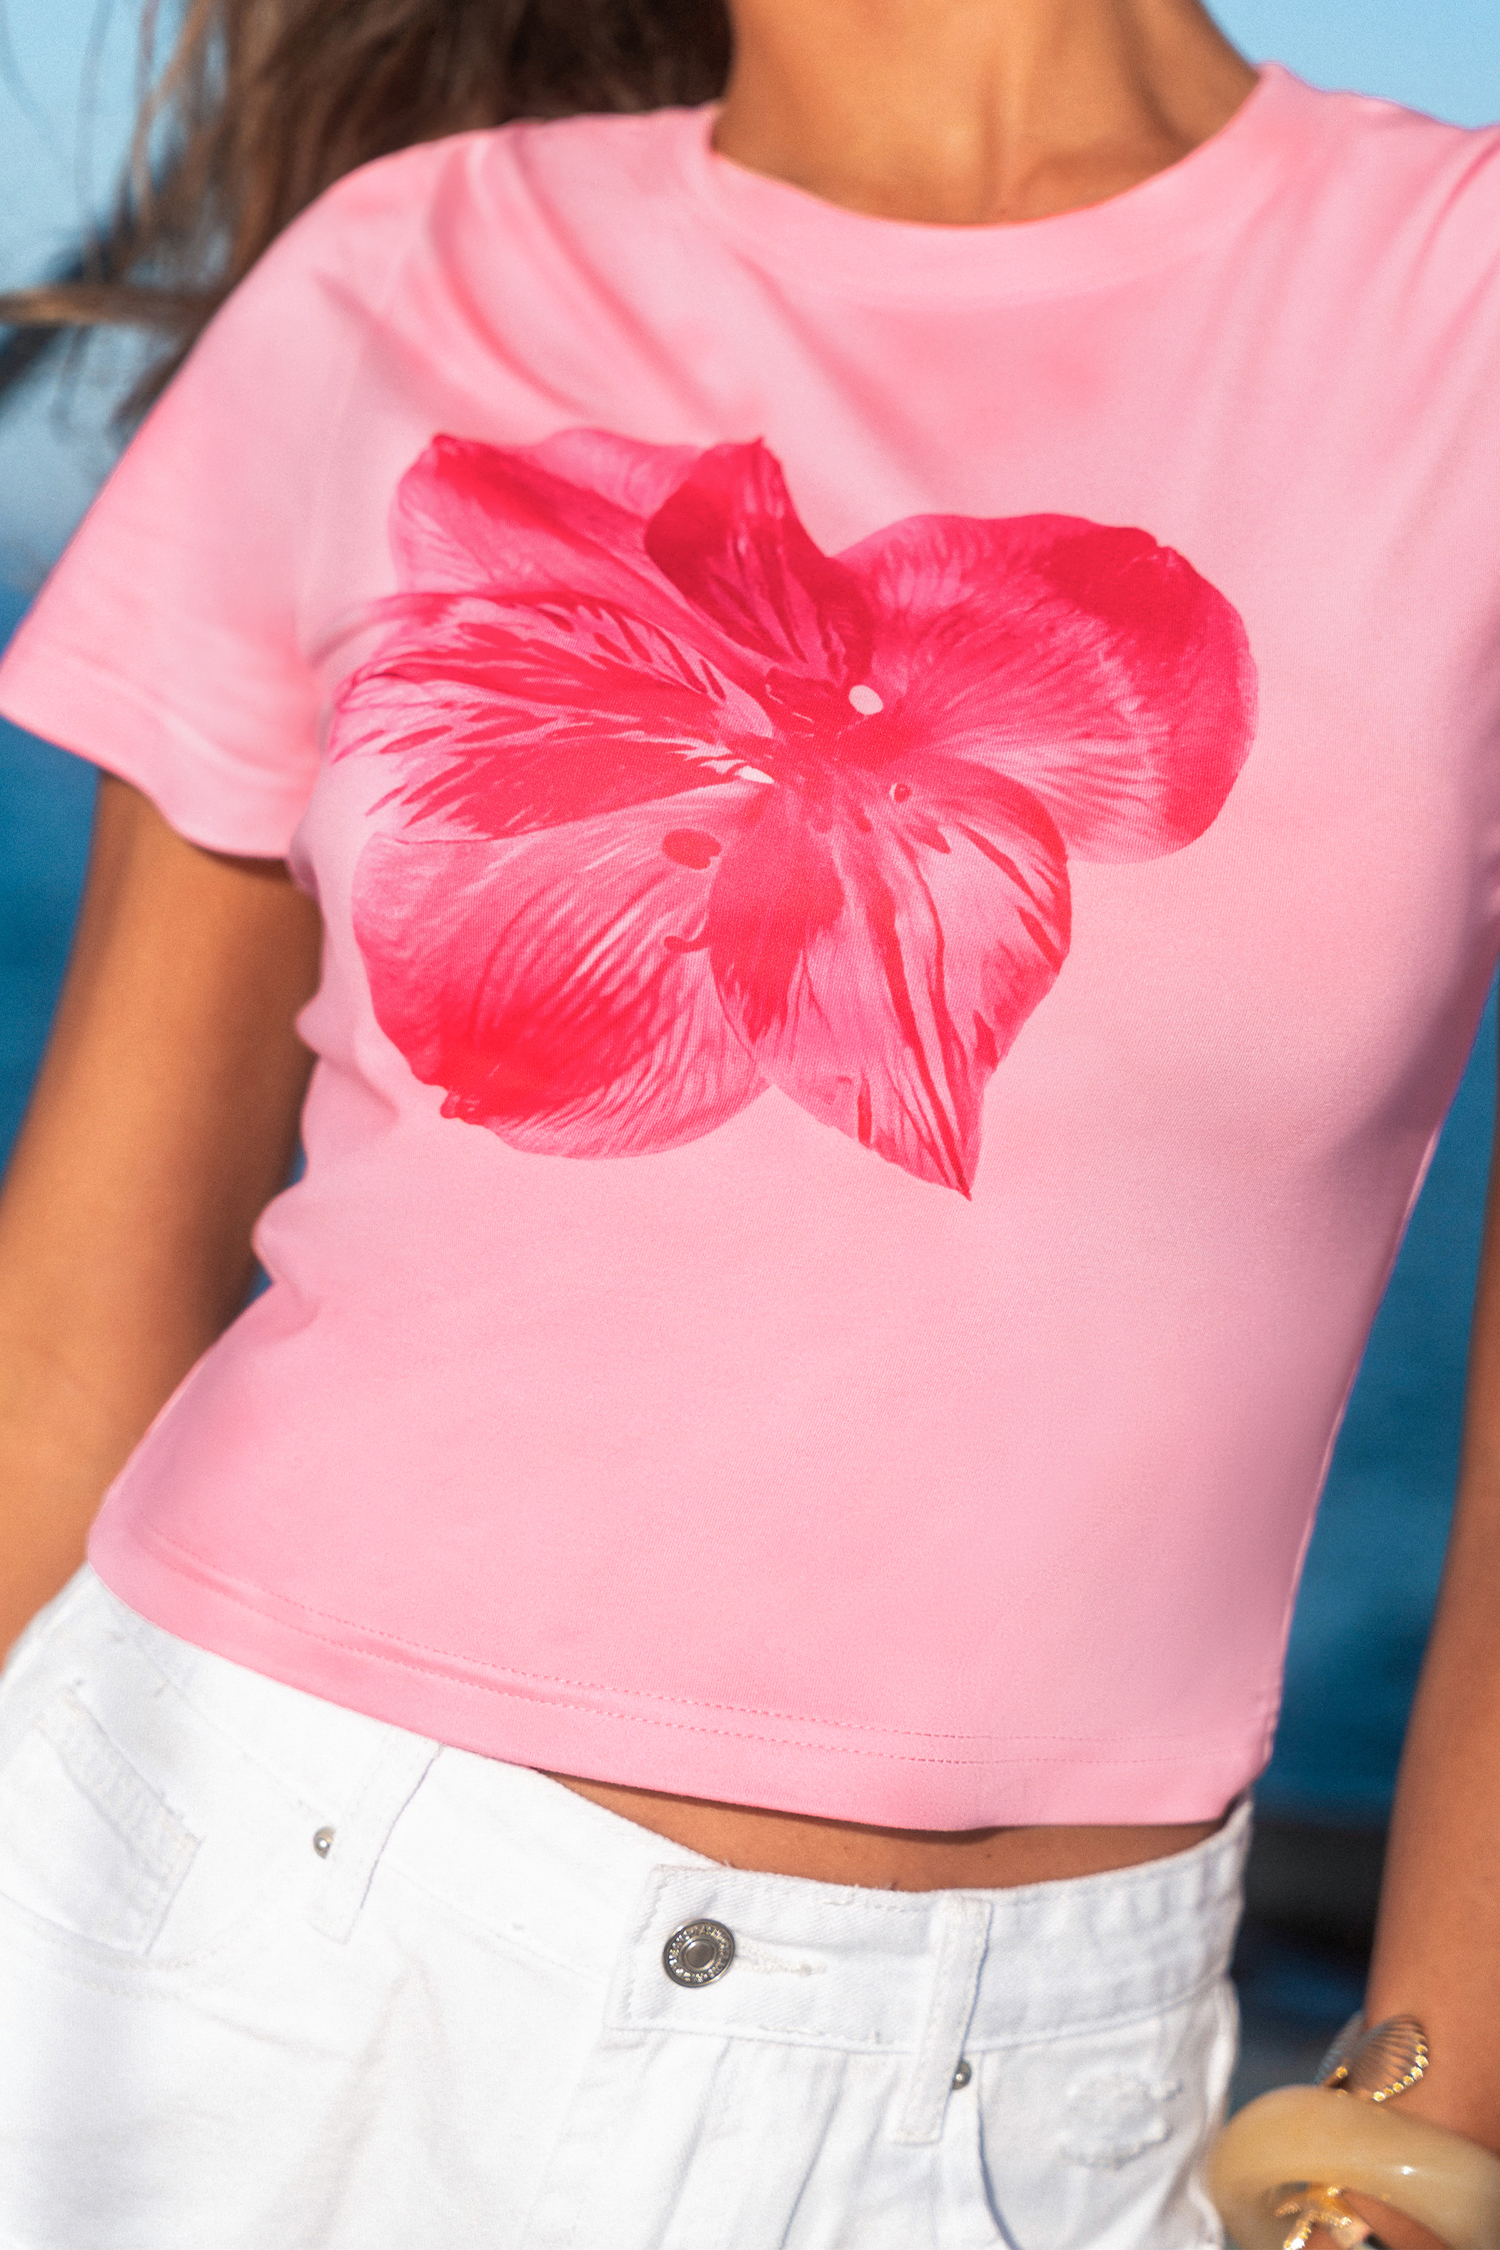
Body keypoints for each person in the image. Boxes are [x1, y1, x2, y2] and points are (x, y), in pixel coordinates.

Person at [0, 0, 1496, 2240]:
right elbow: (73, 1318)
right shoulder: (402, 268)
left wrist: (1415, 2140)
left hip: (1000, 2099)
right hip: (203, 1936)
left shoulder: (1455, 306)